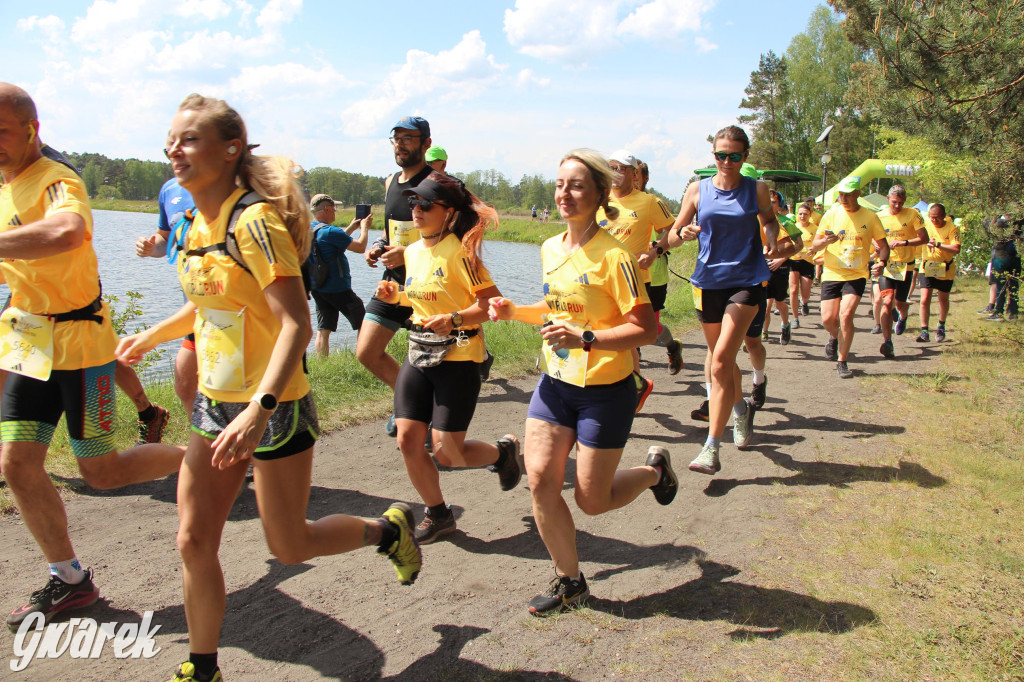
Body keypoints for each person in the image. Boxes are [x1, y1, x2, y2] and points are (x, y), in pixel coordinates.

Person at [116, 94, 421, 682]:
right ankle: (204, 668)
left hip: (274, 406)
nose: (173, 151)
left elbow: (295, 323)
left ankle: (386, 531)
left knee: (290, 546)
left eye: (188, 140)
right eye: (170, 141)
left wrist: (260, 406)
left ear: (231, 149)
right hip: (214, 405)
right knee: (192, 539)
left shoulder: (253, 220)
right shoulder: (191, 222)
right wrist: (151, 336)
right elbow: (210, 305)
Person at [0, 83, 186, 632]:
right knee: (16, 463)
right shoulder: (4, 183)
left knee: (100, 472)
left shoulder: (58, 178)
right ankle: (71, 582)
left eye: (1, 134)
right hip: (30, 343)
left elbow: (69, 229)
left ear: (31, 130)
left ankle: (203, 455)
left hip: (83, 351)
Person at [489, 149, 675, 616]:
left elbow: (647, 330)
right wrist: (514, 311)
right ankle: (570, 582)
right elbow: (556, 312)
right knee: (541, 482)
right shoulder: (551, 248)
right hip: (556, 384)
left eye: (575, 185)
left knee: (593, 501)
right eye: (559, 184)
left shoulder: (616, 256)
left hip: (607, 391)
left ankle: (655, 472)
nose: (564, 194)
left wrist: (588, 337)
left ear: (597, 194)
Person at [374, 172, 521, 544]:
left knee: (447, 453)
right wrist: (397, 297)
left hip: (459, 358)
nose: (416, 210)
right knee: (408, 439)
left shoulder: (462, 253)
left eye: (425, 204)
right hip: (419, 352)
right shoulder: (412, 251)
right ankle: (438, 514)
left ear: (450, 213)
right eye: (413, 203)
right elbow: (428, 296)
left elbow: (493, 305)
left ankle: (502, 455)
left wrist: (455, 319)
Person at [644, 125, 783, 475]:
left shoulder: (757, 189)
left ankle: (711, 447)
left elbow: (769, 222)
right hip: (709, 282)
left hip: (747, 281)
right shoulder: (697, 189)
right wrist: (676, 238)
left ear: (745, 157)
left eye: (734, 156)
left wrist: (771, 239)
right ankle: (741, 412)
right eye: (720, 155)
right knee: (723, 364)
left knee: (720, 361)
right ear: (714, 156)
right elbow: (675, 234)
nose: (726, 161)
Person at [357, 117, 433, 436]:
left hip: (430, 285)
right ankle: (409, 404)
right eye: (396, 138)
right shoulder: (390, 182)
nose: (400, 143)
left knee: (436, 364)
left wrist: (410, 253)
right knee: (366, 351)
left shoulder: (438, 184)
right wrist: (376, 246)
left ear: (426, 143)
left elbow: (455, 239)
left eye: (408, 138)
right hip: (392, 282)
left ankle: (419, 414)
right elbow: (391, 229)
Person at [597, 150, 676, 409]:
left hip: (634, 279)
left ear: (634, 173)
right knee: (611, 333)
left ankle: (631, 385)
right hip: (601, 279)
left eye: (622, 168)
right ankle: (634, 384)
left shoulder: (649, 201)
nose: (616, 173)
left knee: (623, 334)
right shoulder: (599, 200)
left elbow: (673, 230)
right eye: (611, 167)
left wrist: (655, 252)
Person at [812, 177, 889, 378]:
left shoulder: (870, 216)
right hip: (832, 272)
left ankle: (842, 361)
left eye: (848, 194)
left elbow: (884, 246)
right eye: (841, 194)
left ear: (858, 194)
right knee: (828, 319)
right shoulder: (831, 214)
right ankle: (835, 336)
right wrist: (825, 242)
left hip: (857, 274)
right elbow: (814, 245)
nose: (844, 198)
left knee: (846, 316)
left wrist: (881, 264)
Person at [136, 176, 199, 418]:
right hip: (194, 306)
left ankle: (238, 449)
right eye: (170, 149)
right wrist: (153, 248)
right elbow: (165, 236)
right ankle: (211, 446)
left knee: (234, 392)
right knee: (185, 386)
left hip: (231, 310)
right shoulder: (171, 188)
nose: (177, 151)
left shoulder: (228, 184)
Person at [634, 159, 684, 375]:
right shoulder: (615, 204)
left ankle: (672, 346)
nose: (632, 179)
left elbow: (674, 232)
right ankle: (632, 370)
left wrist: (656, 248)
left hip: (655, 275)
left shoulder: (653, 203)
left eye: (637, 175)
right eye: (629, 174)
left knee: (651, 330)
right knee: (627, 322)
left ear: (645, 178)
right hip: (629, 275)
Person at [307, 193, 370, 356]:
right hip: (338, 288)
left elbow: (332, 246)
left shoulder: (309, 229)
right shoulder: (331, 232)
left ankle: (322, 365)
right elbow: (361, 247)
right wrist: (364, 228)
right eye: (334, 208)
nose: (335, 211)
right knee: (363, 320)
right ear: (327, 209)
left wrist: (350, 228)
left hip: (318, 287)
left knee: (324, 328)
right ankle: (364, 357)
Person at [874, 185, 927, 357]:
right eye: (895, 202)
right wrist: (875, 245)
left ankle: (903, 317)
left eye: (901, 203)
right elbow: (871, 236)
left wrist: (904, 243)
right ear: (888, 199)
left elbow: (923, 238)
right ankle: (887, 341)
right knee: (887, 301)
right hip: (886, 265)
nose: (897, 206)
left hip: (906, 265)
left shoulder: (912, 214)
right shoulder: (879, 216)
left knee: (900, 302)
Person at [916, 203, 960, 342]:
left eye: (937, 218)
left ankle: (941, 325)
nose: (933, 220)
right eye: (931, 217)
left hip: (945, 268)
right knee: (924, 299)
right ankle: (924, 331)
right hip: (927, 266)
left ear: (943, 216)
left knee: (943, 299)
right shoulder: (926, 224)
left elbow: (956, 248)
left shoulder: (953, 228)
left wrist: (938, 244)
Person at [982, 216, 1020, 321]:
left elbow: (987, 226)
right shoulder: (1018, 223)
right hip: (1015, 258)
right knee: (1014, 286)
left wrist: (992, 217)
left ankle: (999, 312)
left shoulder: (999, 223)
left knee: (1000, 286)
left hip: (1001, 258)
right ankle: (1013, 312)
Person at [788, 203, 817, 328]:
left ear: (810, 215)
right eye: (800, 214)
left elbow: (819, 244)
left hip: (808, 261)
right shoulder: (793, 227)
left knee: (805, 292)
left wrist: (814, 250)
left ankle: (804, 302)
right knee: (793, 290)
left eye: (805, 214)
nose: (802, 216)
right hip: (794, 260)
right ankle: (795, 318)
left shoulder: (815, 228)